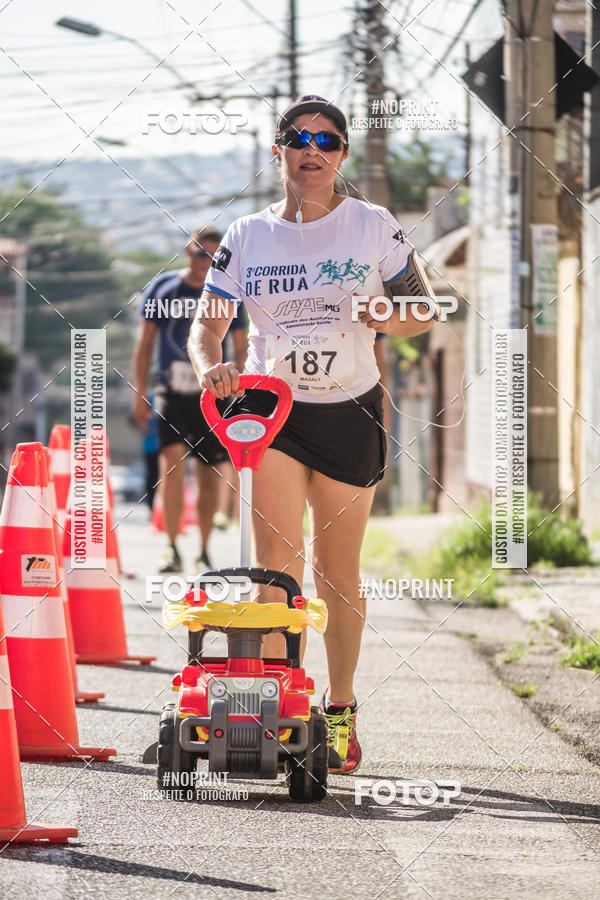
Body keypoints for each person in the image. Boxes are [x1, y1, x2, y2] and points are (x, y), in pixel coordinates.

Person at [188, 96, 437, 774]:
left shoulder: (373, 226)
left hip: (351, 410)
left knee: (339, 572)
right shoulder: (247, 235)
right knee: (278, 564)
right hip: (274, 414)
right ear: (279, 152)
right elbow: (208, 323)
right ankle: (273, 710)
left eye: (326, 140)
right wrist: (213, 361)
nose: (312, 151)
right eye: (298, 139)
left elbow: (422, 311)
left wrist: (381, 308)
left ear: (342, 154)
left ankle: (342, 708)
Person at [133, 226, 247, 574]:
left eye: (214, 257)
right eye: (201, 254)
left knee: (209, 472)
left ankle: (204, 550)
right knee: (171, 464)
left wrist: (239, 387)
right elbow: (146, 343)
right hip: (171, 388)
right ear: (188, 252)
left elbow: (241, 345)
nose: (205, 263)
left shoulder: (227, 292)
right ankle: (170, 547)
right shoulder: (164, 288)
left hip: (212, 392)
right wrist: (140, 394)